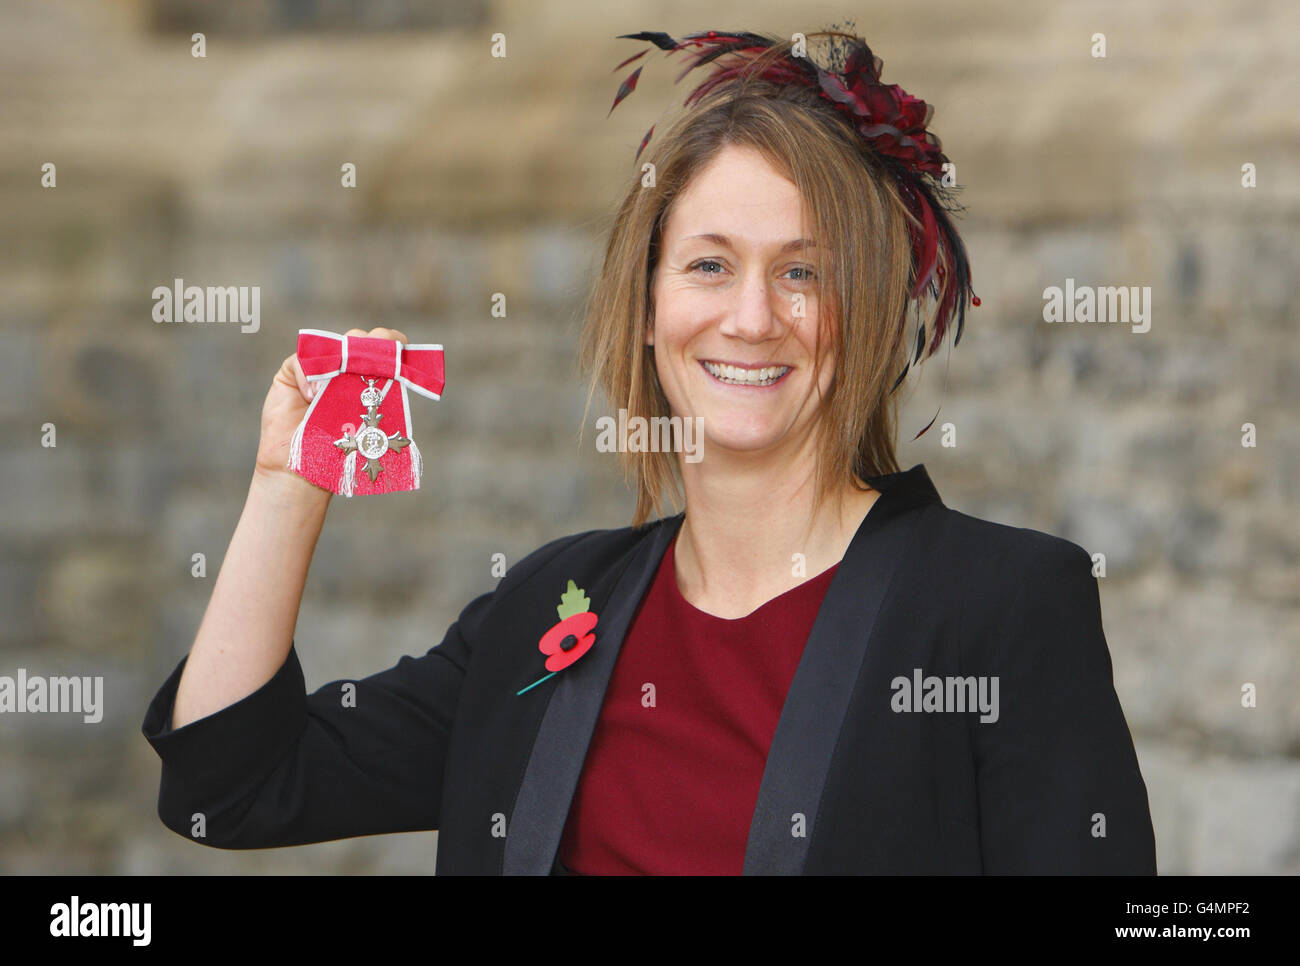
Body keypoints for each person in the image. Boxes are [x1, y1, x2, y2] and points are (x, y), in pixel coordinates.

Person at [142, 29, 1157, 875]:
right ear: (648, 306)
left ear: (869, 313)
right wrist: (289, 485)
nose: (751, 318)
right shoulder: (549, 604)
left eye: (802, 271)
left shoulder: (1001, 605)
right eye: (709, 265)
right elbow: (229, 792)